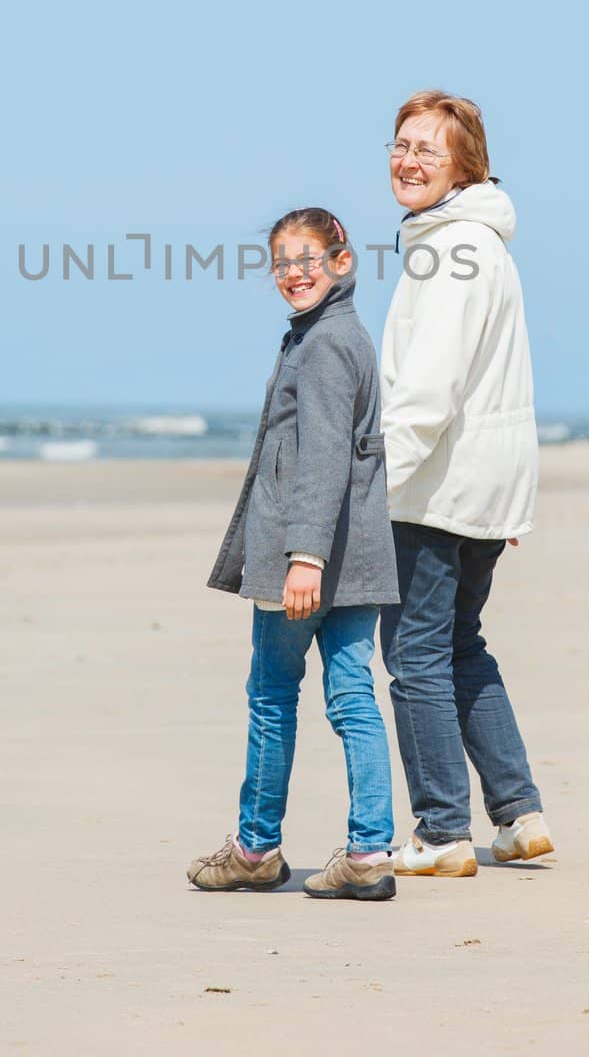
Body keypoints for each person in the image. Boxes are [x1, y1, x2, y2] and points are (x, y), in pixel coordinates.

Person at [190, 207, 400, 901]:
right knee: (351, 696)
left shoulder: (325, 344)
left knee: (274, 697)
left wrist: (304, 555)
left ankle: (256, 848)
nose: (293, 274)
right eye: (282, 262)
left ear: (342, 262)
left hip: (310, 560)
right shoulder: (334, 336)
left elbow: (322, 458)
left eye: (308, 258)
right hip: (359, 554)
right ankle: (369, 853)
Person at [379, 91, 555, 878]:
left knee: (415, 651)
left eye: (428, 151)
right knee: (458, 645)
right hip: (483, 487)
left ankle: (443, 831)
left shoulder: (453, 250)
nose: (408, 161)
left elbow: (428, 390)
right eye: (400, 145)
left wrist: (375, 482)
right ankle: (517, 816)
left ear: (464, 168)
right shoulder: (480, 243)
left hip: (439, 486)